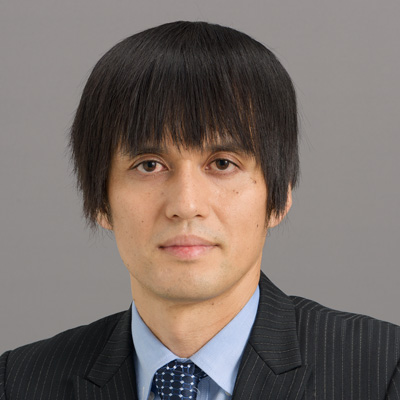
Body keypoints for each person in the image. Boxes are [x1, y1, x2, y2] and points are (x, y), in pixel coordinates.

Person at [0, 20, 399, 400]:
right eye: (149, 165)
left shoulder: (383, 373)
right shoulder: (17, 383)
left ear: (279, 197)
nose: (186, 205)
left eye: (223, 164)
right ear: (99, 201)